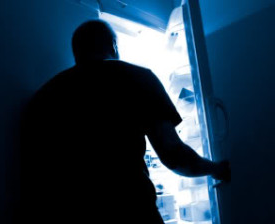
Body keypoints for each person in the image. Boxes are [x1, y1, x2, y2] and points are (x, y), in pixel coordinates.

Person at [20, 20, 230, 224]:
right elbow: (174, 155)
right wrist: (215, 168)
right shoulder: (137, 77)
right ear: (113, 45)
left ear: (77, 53)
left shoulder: (46, 95)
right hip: (132, 211)